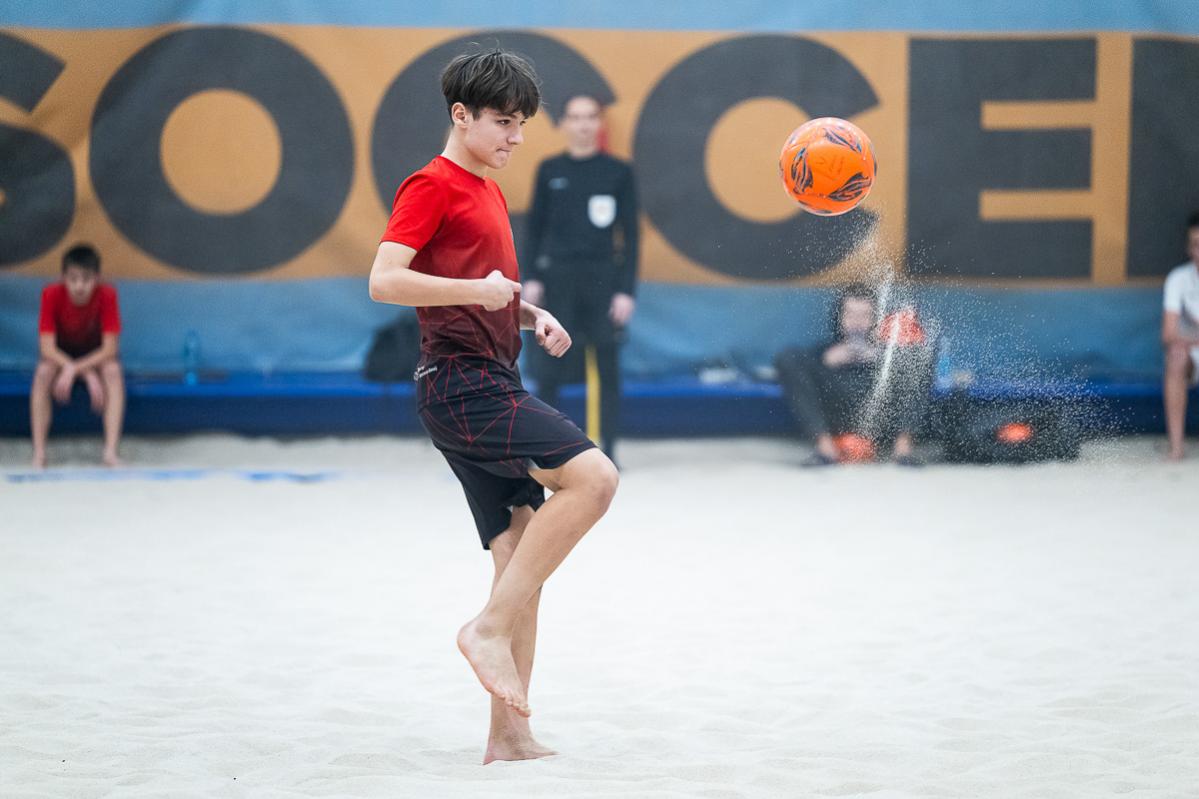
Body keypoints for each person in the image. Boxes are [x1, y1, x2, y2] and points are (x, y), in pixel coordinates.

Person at [367, 49, 620, 764]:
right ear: (461, 115)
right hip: (460, 384)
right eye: (504, 122)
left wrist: (530, 314)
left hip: (488, 376)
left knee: (519, 556)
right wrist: (476, 293)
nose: (517, 136)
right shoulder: (431, 184)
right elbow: (384, 280)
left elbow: (485, 290)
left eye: (521, 123)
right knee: (595, 478)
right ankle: (486, 628)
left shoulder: (487, 188)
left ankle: (507, 737)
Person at [522, 93, 639, 461]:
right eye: (575, 117)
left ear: (599, 123)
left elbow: (631, 236)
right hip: (558, 280)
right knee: (550, 367)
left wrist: (625, 291)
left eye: (590, 117)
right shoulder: (549, 170)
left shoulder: (618, 172)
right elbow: (534, 230)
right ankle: (549, 448)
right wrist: (532, 277)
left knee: (607, 366)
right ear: (564, 123)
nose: (583, 124)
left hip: (603, 281)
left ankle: (609, 450)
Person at [774, 284, 932, 466]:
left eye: (864, 315)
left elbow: (913, 360)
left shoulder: (887, 354)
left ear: (875, 319)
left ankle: (903, 450)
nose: (857, 322)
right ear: (839, 318)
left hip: (877, 415)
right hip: (835, 415)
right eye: (850, 315)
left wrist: (879, 358)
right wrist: (825, 361)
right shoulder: (824, 353)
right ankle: (825, 449)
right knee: (788, 358)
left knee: (919, 359)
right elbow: (792, 362)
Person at [31, 244, 125, 468]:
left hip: (94, 355)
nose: (79, 286)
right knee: (43, 372)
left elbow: (110, 349)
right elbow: (46, 349)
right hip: (61, 355)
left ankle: (110, 452)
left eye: (86, 279)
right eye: (73, 279)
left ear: (97, 278)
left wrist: (78, 369)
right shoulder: (51, 294)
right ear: (63, 277)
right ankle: (39, 453)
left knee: (113, 371)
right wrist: (81, 371)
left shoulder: (107, 295)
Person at [1162, 211, 1199, 461]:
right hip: (1191, 354)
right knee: (1176, 356)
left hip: (1191, 342)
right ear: (1188, 248)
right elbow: (1168, 334)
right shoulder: (1178, 279)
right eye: (1196, 244)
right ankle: (1176, 448)